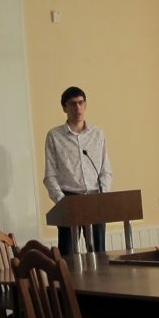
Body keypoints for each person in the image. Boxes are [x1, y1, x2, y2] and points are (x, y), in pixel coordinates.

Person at [43, 86, 113, 255]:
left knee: (99, 254)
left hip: (95, 199)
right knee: (68, 256)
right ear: (64, 108)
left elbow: (105, 170)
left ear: (85, 105)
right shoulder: (54, 136)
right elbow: (50, 175)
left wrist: (103, 197)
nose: (78, 108)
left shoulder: (97, 134)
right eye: (72, 104)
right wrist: (62, 203)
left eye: (81, 103)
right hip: (68, 200)